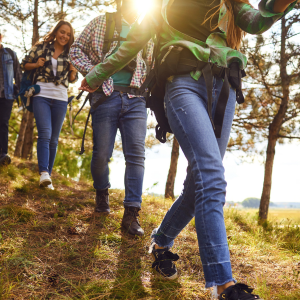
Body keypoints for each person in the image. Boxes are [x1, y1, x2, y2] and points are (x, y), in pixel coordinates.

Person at [79, 0, 296, 298]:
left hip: (225, 88)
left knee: (198, 186)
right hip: (183, 83)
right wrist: (94, 76)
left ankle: (161, 242)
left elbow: (255, 21)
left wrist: (278, 5)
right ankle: (224, 286)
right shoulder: (163, 6)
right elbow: (131, 44)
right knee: (212, 177)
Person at [69, 0, 153, 236]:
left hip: (136, 97)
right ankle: (101, 194)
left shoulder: (148, 26)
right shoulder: (100, 23)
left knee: (136, 155)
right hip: (106, 97)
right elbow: (75, 51)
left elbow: (152, 62)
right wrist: (96, 74)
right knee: (102, 154)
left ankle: (131, 214)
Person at [21, 20, 78, 190]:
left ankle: (48, 179)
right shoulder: (42, 47)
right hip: (42, 95)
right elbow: (24, 64)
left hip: (61, 97)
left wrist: (73, 70)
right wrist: (36, 64)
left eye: (68, 34)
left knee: (54, 138)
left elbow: (73, 79)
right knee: (45, 133)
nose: (65, 36)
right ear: (56, 32)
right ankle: (43, 172)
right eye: (62, 32)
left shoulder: (71, 53)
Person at [0, 31, 22, 166]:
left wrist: (19, 92)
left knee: (3, 124)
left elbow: (18, 74)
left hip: (6, 95)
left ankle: (3, 155)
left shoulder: (10, 54)